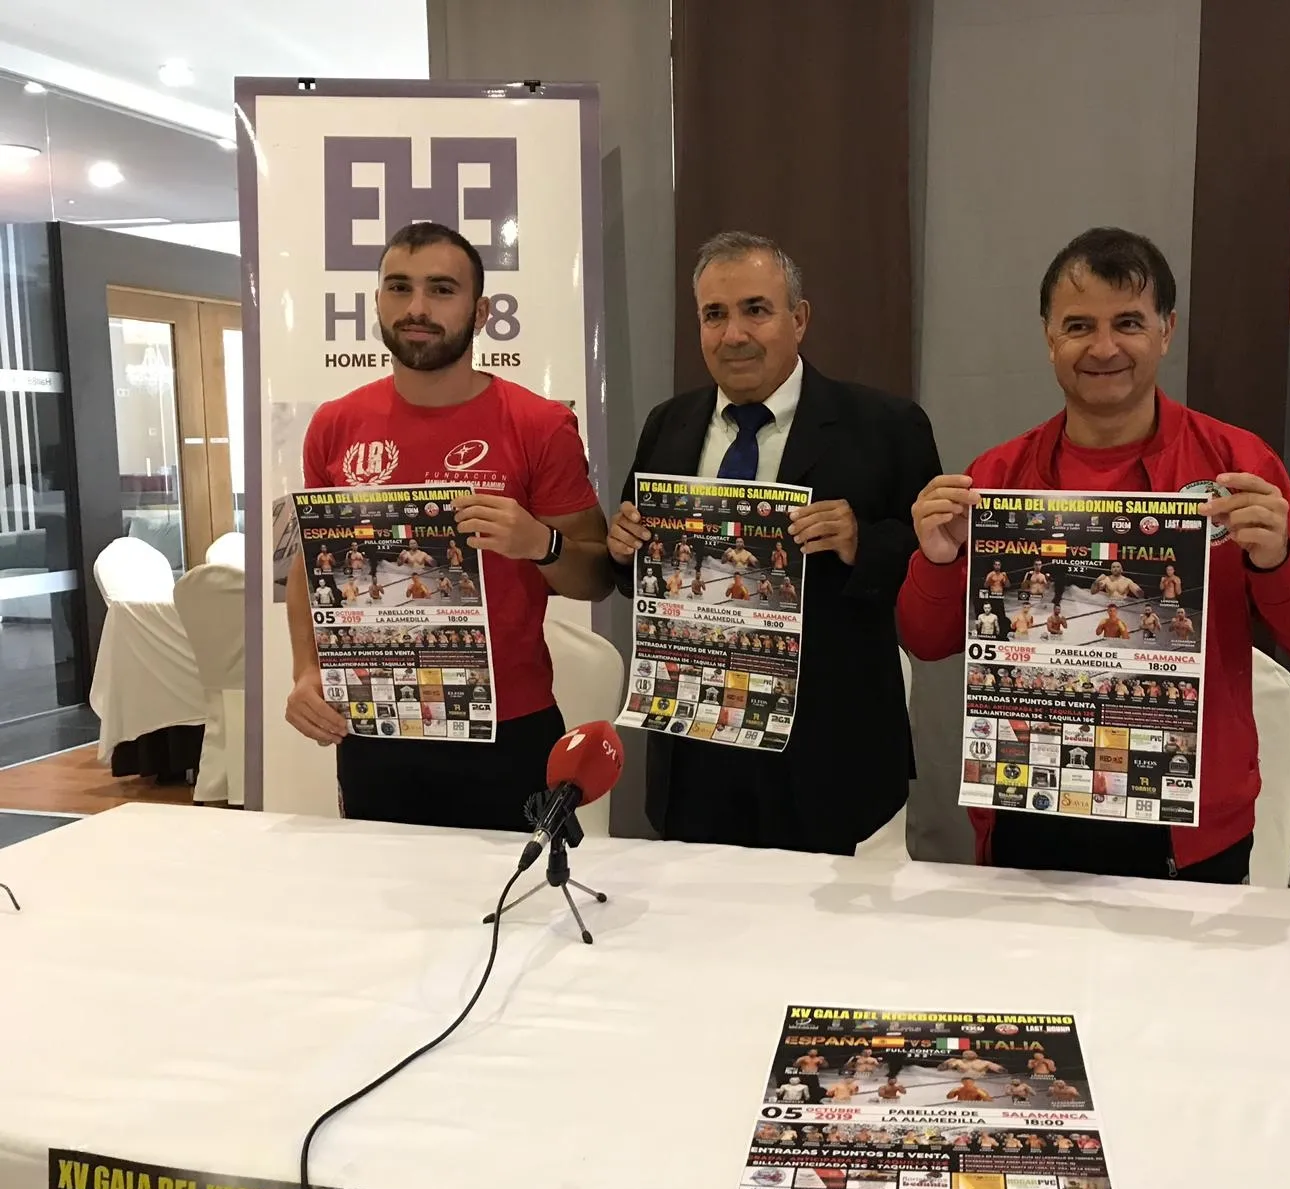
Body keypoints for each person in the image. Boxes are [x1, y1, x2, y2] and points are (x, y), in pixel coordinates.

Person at [899, 227, 1290, 883]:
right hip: (1030, 806)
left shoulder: (1238, 467)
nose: (1104, 347)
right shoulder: (997, 476)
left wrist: (1278, 560)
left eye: (1128, 323)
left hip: (1185, 827)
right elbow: (925, 638)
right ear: (1050, 338)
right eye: (1079, 325)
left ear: (1166, 331)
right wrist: (937, 560)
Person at [606, 231, 942, 854]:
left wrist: (859, 541)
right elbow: (634, 571)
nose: (734, 334)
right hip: (694, 743)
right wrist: (624, 547)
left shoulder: (886, 425)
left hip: (827, 752)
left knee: (817, 949)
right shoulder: (667, 423)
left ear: (800, 318)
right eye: (715, 315)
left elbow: (934, 565)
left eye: (756, 310)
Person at [284, 221, 612, 831]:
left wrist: (540, 543)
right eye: (398, 288)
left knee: (517, 915)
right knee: (378, 906)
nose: (417, 308)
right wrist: (306, 669)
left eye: (441, 289)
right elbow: (312, 565)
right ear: (377, 301)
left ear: (480, 310)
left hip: (508, 729)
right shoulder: (335, 424)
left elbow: (596, 577)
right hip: (376, 725)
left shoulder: (539, 425)